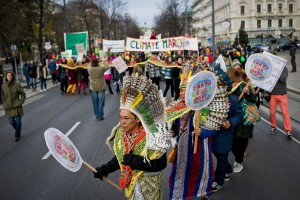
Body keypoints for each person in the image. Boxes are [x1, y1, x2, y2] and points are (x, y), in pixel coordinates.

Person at [93, 74, 170, 200]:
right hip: (131, 190)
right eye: (120, 117)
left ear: (138, 119)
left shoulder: (153, 135)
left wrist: (134, 161)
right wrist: (104, 169)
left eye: (126, 118)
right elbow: (121, 158)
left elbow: (161, 164)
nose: (122, 122)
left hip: (150, 190)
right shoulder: (121, 134)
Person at [211, 93, 244, 192]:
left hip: (224, 132)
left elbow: (240, 114)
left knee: (221, 154)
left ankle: (218, 181)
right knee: (217, 153)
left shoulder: (233, 99)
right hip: (211, 130)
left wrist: (230, 122)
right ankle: (228, 168)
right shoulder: (211, 96)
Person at [1, 71, 26, 142]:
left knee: (18, 122)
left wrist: (20, 102)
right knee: (12, 122)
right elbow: (2, 97)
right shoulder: (3, 86)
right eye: (8, 75)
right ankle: (18, 130)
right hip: (8, 107)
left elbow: (23, 94)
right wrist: (4, 104)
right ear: (6, 76)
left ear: (13, 76)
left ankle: (17, 136)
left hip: (17, 106)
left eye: (11, 75)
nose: (9, 76)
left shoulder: (17, 85)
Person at [269, 66, 292, 137]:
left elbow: (283, 79)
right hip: (273, 94)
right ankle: (273, 126)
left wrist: (276, 71)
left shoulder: (284, 69)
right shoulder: (271, 68)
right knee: (272, 112)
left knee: (285, 113)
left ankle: (288, 130)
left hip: (282, 95)